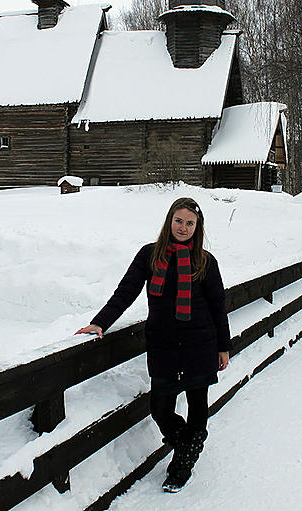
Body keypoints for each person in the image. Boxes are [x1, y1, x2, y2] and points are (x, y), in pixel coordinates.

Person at [76, 197, 231, 493]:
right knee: (160, 408)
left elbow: (217, 305)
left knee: (198, 404)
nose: (183, 227)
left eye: (190, 223)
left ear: (197, 227)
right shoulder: (150, 255)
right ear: (168, 221)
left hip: (200, 342)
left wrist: (223, 346)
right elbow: (126, 291)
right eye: (178, 221)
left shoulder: (205, 261)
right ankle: (188, 445)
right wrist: (100, 323)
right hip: (164, 343)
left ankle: (182, 465)